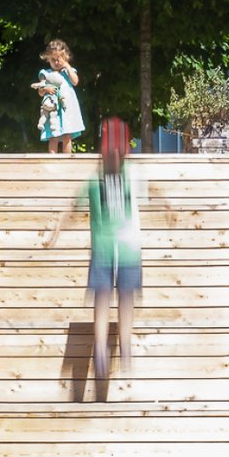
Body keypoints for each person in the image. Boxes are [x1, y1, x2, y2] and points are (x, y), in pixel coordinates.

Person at [42, 118, 144, 401]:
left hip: (103, 249)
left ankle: (102, 348)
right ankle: (123, 345)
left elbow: (71, 209)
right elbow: (155, 195)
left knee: (102, 300)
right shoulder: (129, 176)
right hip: (127, 250)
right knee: (124, 300)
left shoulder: (94, 181)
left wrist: (56, 231)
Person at [33, 40, 84, 154]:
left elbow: (75, 82)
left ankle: (67, 161)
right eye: (53, 60)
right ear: (48, 59)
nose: (56, 62)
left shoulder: (68, 71)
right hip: (52, 109)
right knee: (53, 135)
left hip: (67, 109)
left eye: (59, 59)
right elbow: (40, 92)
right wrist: (45, 89)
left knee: (67, 134)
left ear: (65, 57)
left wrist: (67, 66)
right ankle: (53, 160)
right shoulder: (46, 73)